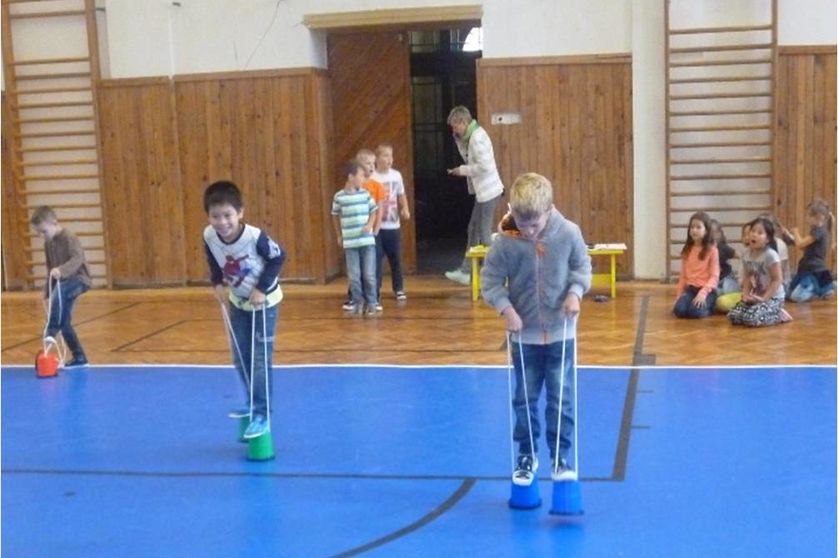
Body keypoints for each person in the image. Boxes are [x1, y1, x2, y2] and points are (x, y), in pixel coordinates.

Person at [481, 172, 591, 485]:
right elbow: (490, 281)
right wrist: (506, 309)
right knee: (524, 399)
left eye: (535, 224)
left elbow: (582, 267)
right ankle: (527, 456)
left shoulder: (568, 233)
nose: (528, 231)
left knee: (561, 400)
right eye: (522, 222)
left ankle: (560, 457)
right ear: (512, 212)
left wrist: (575, 293)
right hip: (524, 338)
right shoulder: (504, 243)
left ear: (549, 210)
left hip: (561, 334)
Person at [203, 180, 286, 439]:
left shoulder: (255, 237)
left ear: (240, 213)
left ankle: (261, 413)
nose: (222, 222)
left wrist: (261, 288)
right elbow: (213, 259)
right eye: (215, 216)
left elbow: (278, 257)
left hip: (265, 304)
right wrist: (216, 282)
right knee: (240, 357)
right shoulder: (208, 235)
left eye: (228, 215)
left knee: (259, 359)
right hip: (238, 303)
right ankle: (252, 401)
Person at [444, 106, 504, 286]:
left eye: (455, 127)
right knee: (473, 229)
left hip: (489, 192)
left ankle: (492, 275)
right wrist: (458, 141)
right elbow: (470, 157)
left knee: (484, 235)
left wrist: (461, 170)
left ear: (463, 122)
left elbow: (484, 166)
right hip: (483, 192)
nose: (454, 130)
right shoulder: (471, 136)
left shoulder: (476, 139)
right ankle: (466, 270)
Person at [30, 206, 91, 368]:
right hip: (63, 284)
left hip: (79, 279)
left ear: (54, 223)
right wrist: (47, 290)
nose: (41, 236)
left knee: (62, 290)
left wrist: (62, 270)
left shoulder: (69, 237)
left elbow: (78, 258)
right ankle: (80, 358)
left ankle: (50, 331)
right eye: (38, 233)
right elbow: (51, 269)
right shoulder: (48, 244)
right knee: (64, 321)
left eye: (43, 231)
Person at [341, 149, 386, 312]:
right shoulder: (347, 191)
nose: (371, 167)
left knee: (370, 270)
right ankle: (355, 298)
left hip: (370, 235)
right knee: (354, 271)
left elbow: (377, 209)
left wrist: (376, 227)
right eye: (368, 164)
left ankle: (373, 299)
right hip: (352, 237)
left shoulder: (375, 187)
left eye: (373, 164)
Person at [332, 160, 378, 316]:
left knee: (369, 274)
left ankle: (372, 302)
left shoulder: (365, 194)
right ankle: (358, 302)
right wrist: (339, 235)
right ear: (351, 177)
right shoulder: (339, 197)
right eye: (361, 176)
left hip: (367, 241)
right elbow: (335, 216)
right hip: (350, 243)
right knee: (354, 276)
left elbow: (374, 211)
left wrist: (370, 225)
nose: (363, 179)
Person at [727, 216, 792, 327]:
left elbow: (777, 280)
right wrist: (746, 295)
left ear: (767, 239)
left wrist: (764, 299)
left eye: (760, 233)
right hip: (756, 296)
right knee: (734, 316)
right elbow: (747, 277)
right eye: (753, 231)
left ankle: (778, 314)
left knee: (751, 319)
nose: (754, 234)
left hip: (773, 297)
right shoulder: (747, 255)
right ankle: (764, 310)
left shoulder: (770, 255)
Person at [371, 143, 410, 302]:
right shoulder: (372, 177)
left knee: (396, 258)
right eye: (385, 155)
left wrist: (405, 208)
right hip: (377, 226)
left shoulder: (396, 176)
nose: (389, 159)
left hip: (393, 225)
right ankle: (376, 289)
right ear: (377, 158)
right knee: (376, 258)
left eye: (391, 156)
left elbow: (401, 194)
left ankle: (399, 288)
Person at [780, 199, 835, 301]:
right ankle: (824, 287)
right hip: (810, 267)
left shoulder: (819, 231)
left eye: (809, 215)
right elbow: (805, 247)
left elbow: (801, 244)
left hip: (813, 269)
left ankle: (814, 288)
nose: (806, 218)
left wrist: (796, 232)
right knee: (787, 295)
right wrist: (788, 236)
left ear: (818, 217)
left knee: (796, 297)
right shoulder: (818, 230)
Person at [673, 212, 719, 318]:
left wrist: (703, 293)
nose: (694, 230)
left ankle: (711, 306)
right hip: (691, 289)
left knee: (695, 312)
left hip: (707, 290)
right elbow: (683, 276)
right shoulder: (687, 250)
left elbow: (714, 277)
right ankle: (692, 304)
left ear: (706, 231)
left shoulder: (712, 250)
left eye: (698, 227)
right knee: (679, 311)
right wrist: (679, 296)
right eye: (692, 227)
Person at [710, 219, 738, 294]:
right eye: (708, 233)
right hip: (714, 280)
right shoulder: (704, 250)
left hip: (726, 277)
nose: (711, 236)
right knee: (712, 291)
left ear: (720, 234)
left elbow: (740, 256)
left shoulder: (723, 248)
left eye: (714, 233)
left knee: (727, 288)